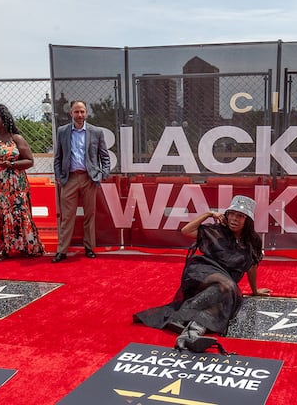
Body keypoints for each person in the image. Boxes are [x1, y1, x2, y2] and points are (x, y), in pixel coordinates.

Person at [134, 195, 272, 353]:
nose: (234, 219)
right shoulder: (216, 231)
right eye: (231, 214)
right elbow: (186, 231)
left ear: (247, 220)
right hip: (203, 273)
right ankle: (181, 316)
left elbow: (252, 266)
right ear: (226, 215)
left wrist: (255, 290)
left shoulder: (253, 241)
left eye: (240, 216)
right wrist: (208, 214)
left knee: (226, 298)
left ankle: (191, 333)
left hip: (226, 285)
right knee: (227, 287)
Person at [52, 100, 110, 263]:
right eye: (76, 112)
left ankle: (89, 248)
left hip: (89, 178)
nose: (80, 115)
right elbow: (58, 157)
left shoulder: (96, 132)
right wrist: (58, 177)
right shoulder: (63, 131)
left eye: (82, 111)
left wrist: (103, 174)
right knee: (67, 217)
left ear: (86, 113)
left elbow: (104, 156)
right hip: (69, 179)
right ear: (71, 113)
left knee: (89, 215)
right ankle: (62, 251)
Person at [0, 104, 44, 259]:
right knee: (1, 215)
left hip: (16, 184)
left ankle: (28, 247)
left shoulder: (16, 138)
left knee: (19, 213)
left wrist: (10, 164)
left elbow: (29, 161)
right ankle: (6, 249)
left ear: (4, 121)